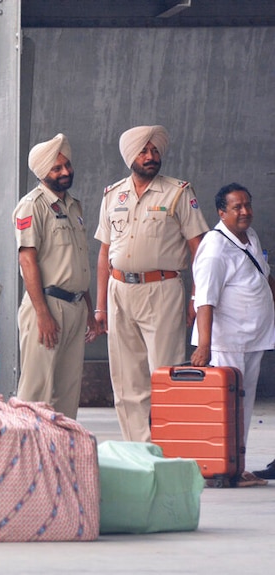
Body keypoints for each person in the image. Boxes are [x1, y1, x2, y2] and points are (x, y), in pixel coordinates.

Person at [94, 125, 209, 442]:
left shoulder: (178, 192)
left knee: (166, 372)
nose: (151, 156)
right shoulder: (112, 195)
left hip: (163, 290)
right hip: (119, 292)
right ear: (130, 155)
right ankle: (138, 446)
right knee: (126, 377)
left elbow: (199, 247)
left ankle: (169, 444)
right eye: (144, 151)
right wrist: (100, 305)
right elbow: (105, 252)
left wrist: (197, 298)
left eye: (155, 151)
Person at [189, 184, 273, 487]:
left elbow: (263, 277)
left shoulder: (249, 236)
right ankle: (223, 469)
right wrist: (205, 345)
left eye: (247, 205)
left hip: (252, 339)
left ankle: (236, 466)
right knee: (227, 408)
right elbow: (205, 300)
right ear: (221, 212)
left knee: (244, 405)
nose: (245, 212)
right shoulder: (214, 247)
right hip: (226, 343)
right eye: (236, 207)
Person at [13, 134, 98, 419]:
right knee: (36, 391)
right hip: (47, 307)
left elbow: (78, 260)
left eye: (67, 166)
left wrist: (87, 307)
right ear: (42, 173)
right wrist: (42, 313)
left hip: (75, 308)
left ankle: (61, 455)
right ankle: (25, 455)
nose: (65, 172)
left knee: (67, 392)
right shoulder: (32, 205)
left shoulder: (74, 206)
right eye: (56, 168)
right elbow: (27, 260)